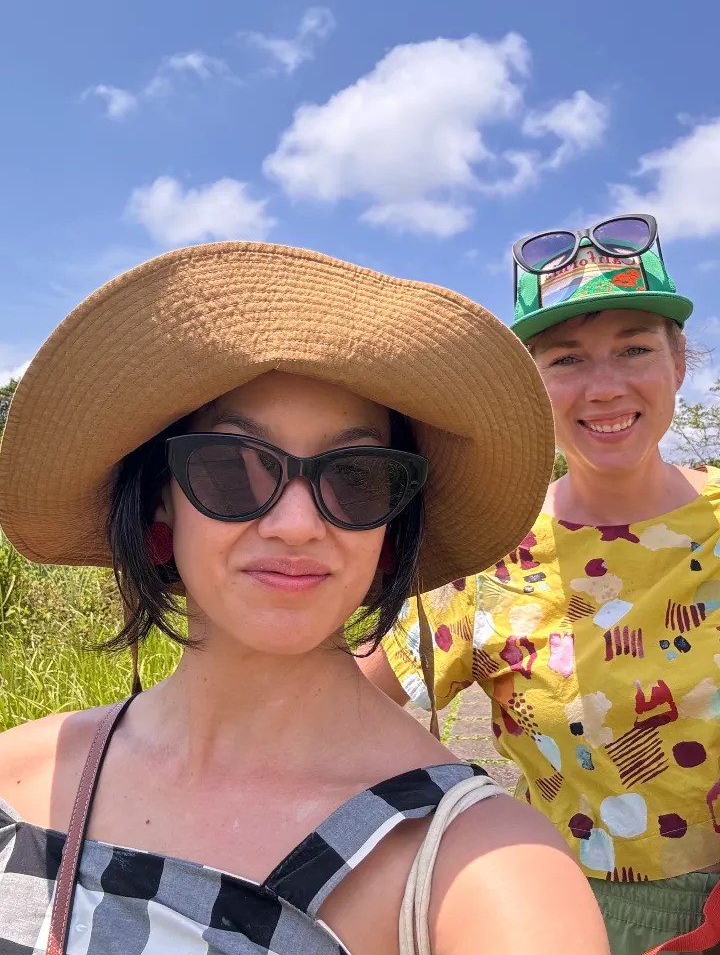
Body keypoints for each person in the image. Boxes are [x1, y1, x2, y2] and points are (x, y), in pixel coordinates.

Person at [0, 242, 608, 955]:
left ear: (392, 524)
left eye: (355, 478)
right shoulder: (20, 777)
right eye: (231, 468)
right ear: (160, 507)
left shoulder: (482, 871)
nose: (295, 525)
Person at [362, 215, 720, 954]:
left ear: (679, 362)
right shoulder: (488, 551)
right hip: (566, 916)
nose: (605, 387)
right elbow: (344, 701)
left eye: (634, 348)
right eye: (565, 360)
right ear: (530, 385)